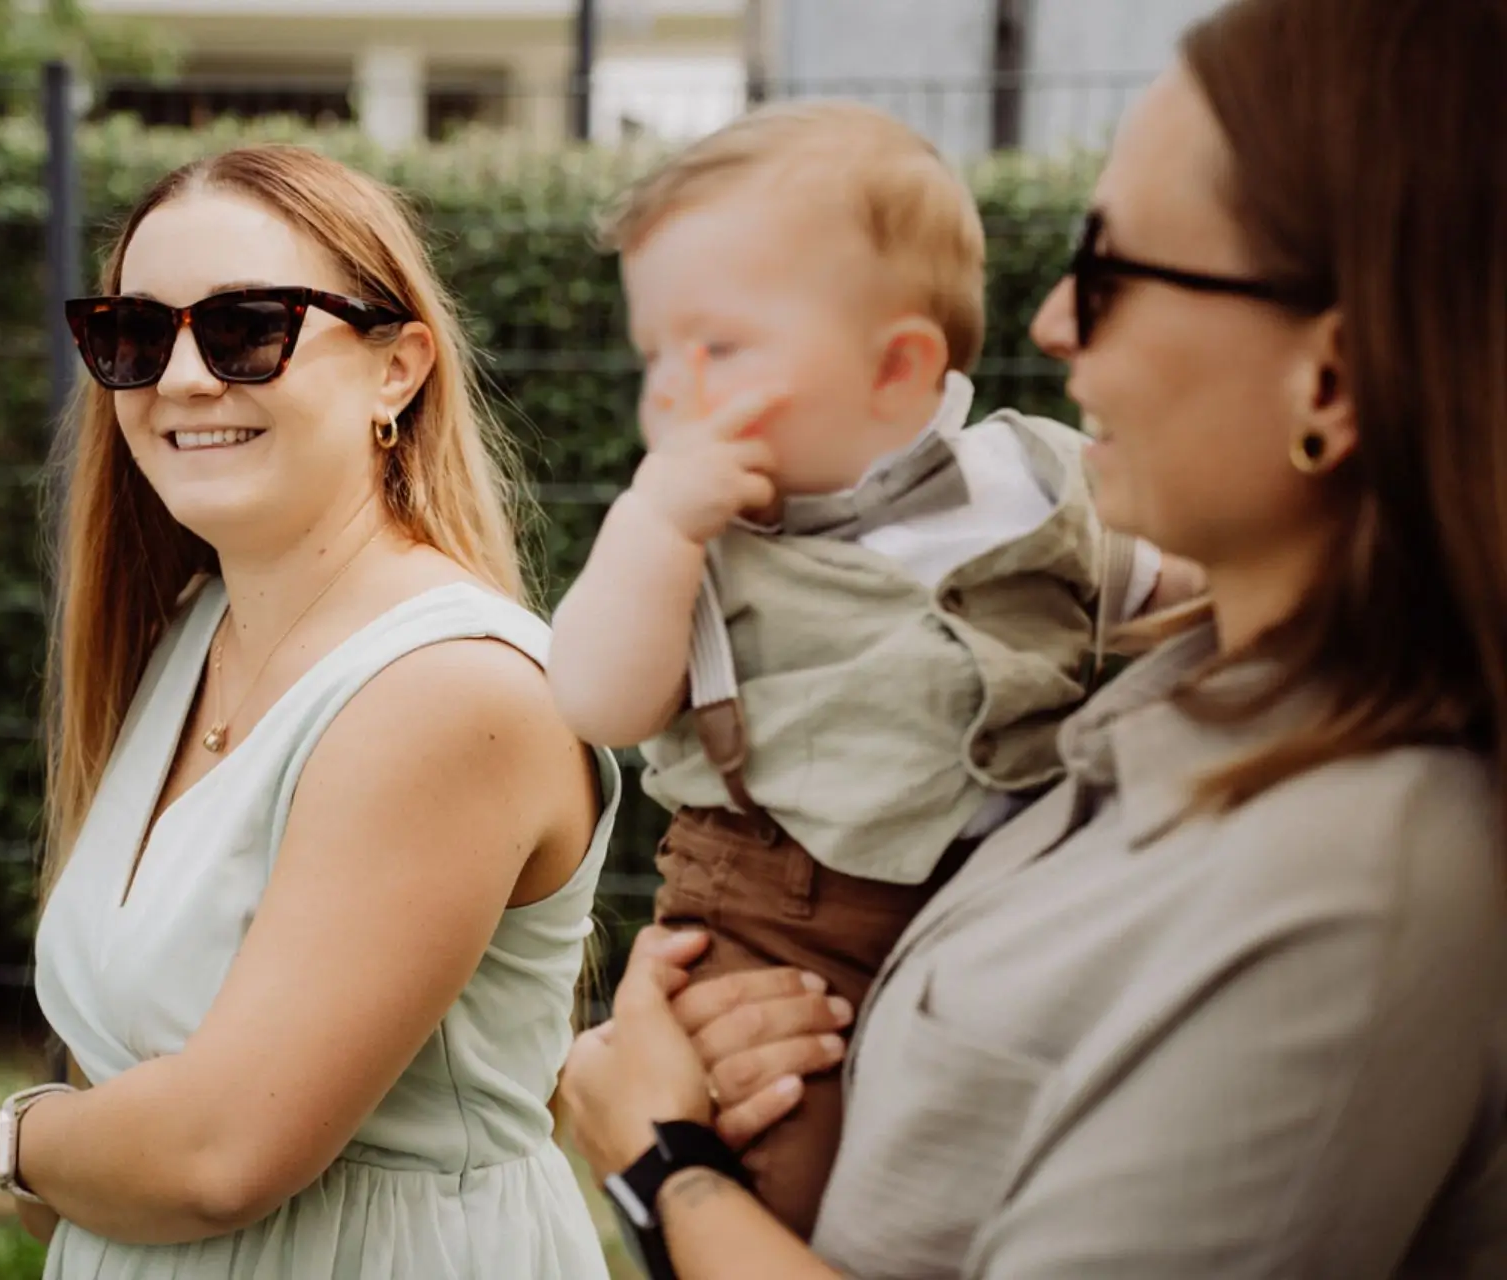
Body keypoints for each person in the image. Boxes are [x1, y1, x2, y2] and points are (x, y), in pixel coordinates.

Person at [558, 0, 1507, 1275]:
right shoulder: (1187, 690)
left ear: (1327, 380)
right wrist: (747, 1027)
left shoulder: (1353, 874)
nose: (1051, 323)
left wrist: (662, 1162)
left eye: (1110, 269)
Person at [548, 100, 1197, 1236]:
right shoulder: (699, 539)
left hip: (1011, 904)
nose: (669, 392)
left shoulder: (1039, 480)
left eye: (719, 349)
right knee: (789, 1179)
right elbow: (596, 696)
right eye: (659, 353)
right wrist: (654, 524)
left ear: (897, 367)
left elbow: (1184, 599)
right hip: (777, 920)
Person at [0, 143, 617, 1279]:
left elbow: (217, 1153)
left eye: (246, 327)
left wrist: (19, 1139)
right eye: (134, 334)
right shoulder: (192, 631)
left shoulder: (449, 688)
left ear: (399, 369)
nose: (182, 377)